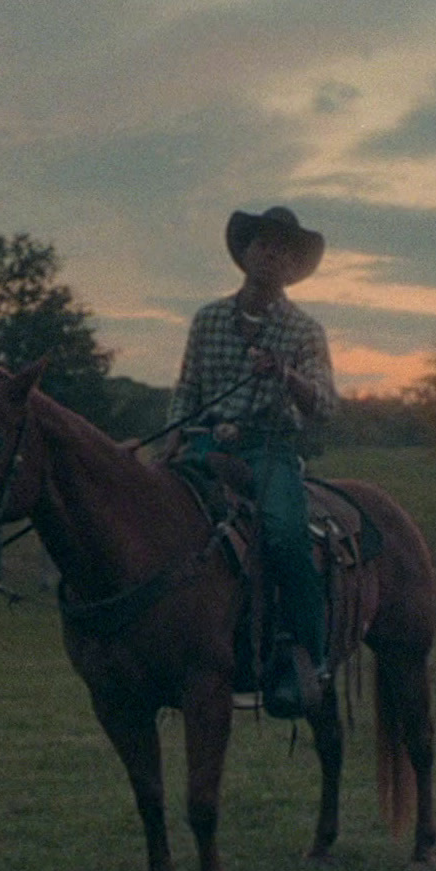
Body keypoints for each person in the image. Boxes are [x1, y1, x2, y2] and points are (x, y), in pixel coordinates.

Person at [167, 206, 339, 718]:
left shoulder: (304, 331)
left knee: (286, 534)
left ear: (294, 267)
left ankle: (308, 659)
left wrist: (287, 375)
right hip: (202, 445)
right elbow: (187, 388)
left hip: (268, 448)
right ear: (245, 253)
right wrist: (174, 436)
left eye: (284, 249)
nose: (272, 254)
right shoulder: (208, 320)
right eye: (264, 244)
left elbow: (326, 405)